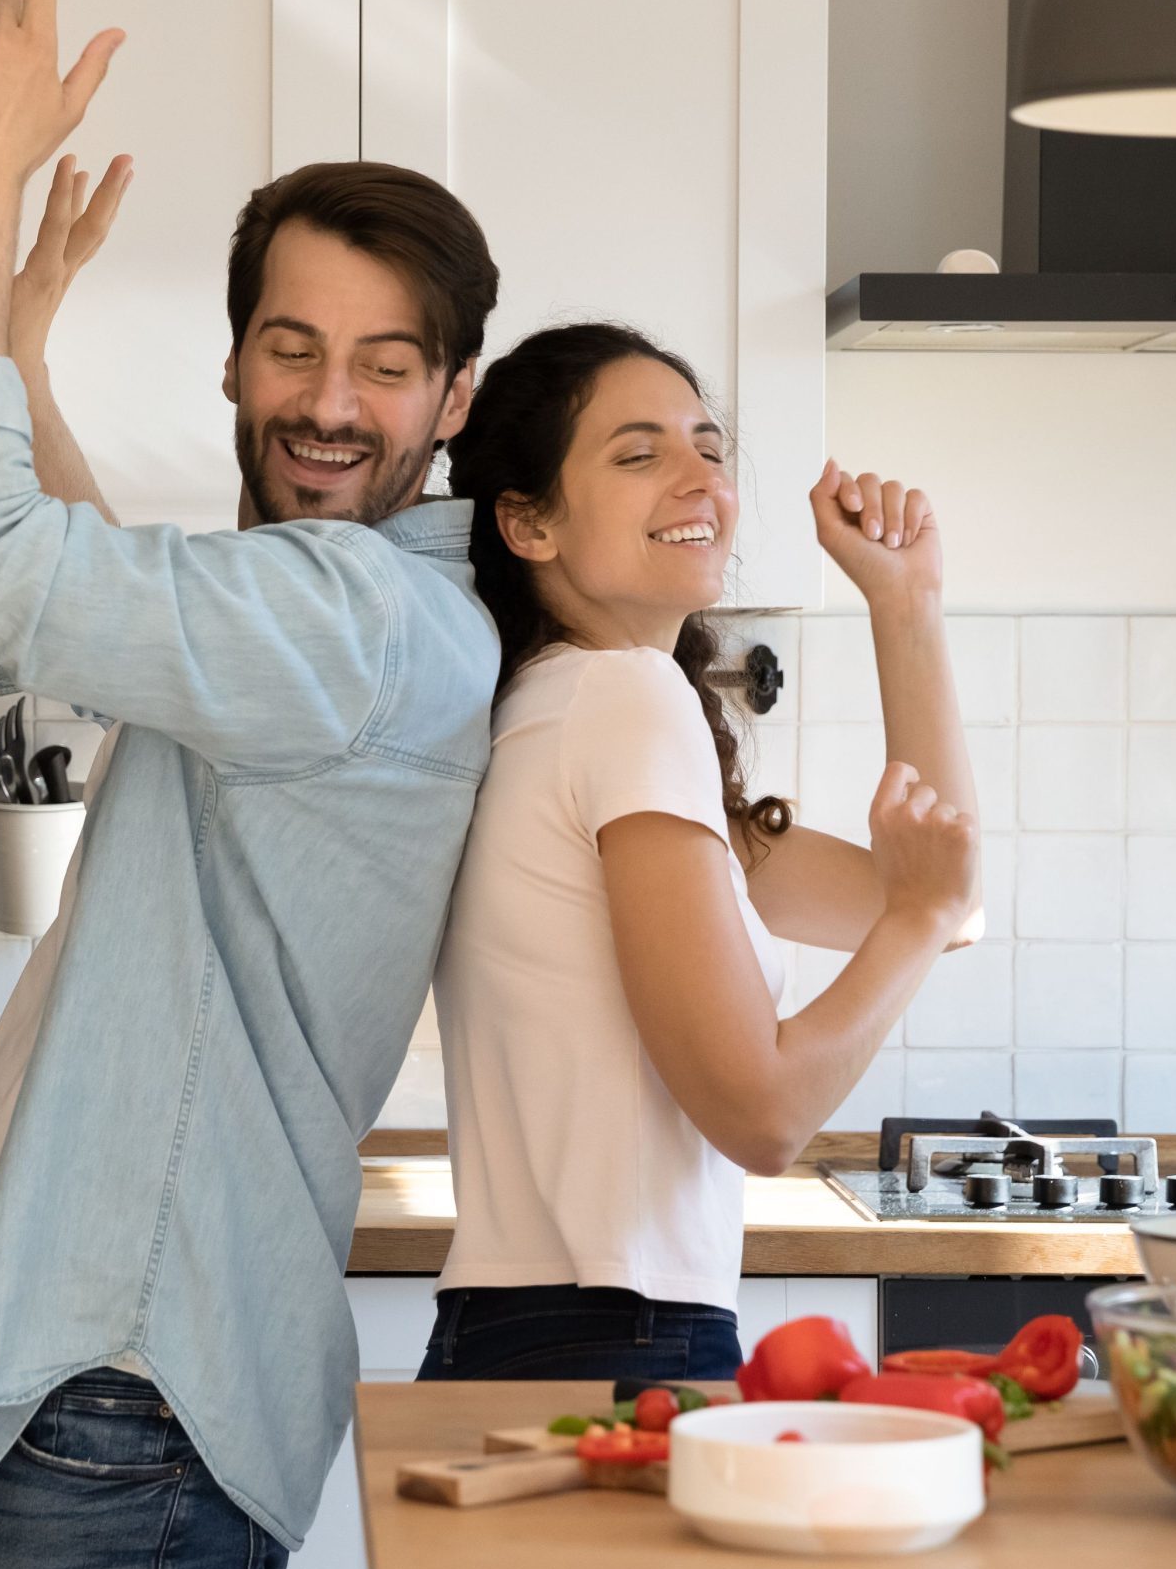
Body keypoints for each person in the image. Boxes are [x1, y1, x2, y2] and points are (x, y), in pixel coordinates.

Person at [0, 0, 503, 1569]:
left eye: (388, 366)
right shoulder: (318, 622)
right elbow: (110, 603)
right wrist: (17, 341)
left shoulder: (363, 618)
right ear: (235, 360)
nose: (331, 400)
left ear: (455, 399)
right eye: (294, 347)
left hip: (112, 1397)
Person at [419, 322, 981, 1383]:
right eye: (639, 456)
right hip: (609, 1336)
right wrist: (913, 917)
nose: (701, 481)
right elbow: (762, 1115)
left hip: (544, 1328)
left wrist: (906, 605)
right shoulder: (621, 700)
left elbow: (948, 898)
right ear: (528, 522)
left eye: (709, 449)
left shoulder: (560, 705)